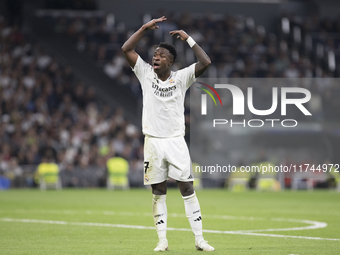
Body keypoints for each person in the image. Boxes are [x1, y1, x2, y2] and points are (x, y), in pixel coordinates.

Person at [122, 16, 214, 251]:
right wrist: (143, 27)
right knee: (158, 191)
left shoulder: (182, 77)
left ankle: (199, 239)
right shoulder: (144, 73)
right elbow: (127, 48)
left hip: (175, 141)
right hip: (152, 141)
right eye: (155, 54)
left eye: (161, 55)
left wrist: (189, 39)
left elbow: (205, 62)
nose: (156, 57)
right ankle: (162, 241)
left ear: (171, 61)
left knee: (187, 188)